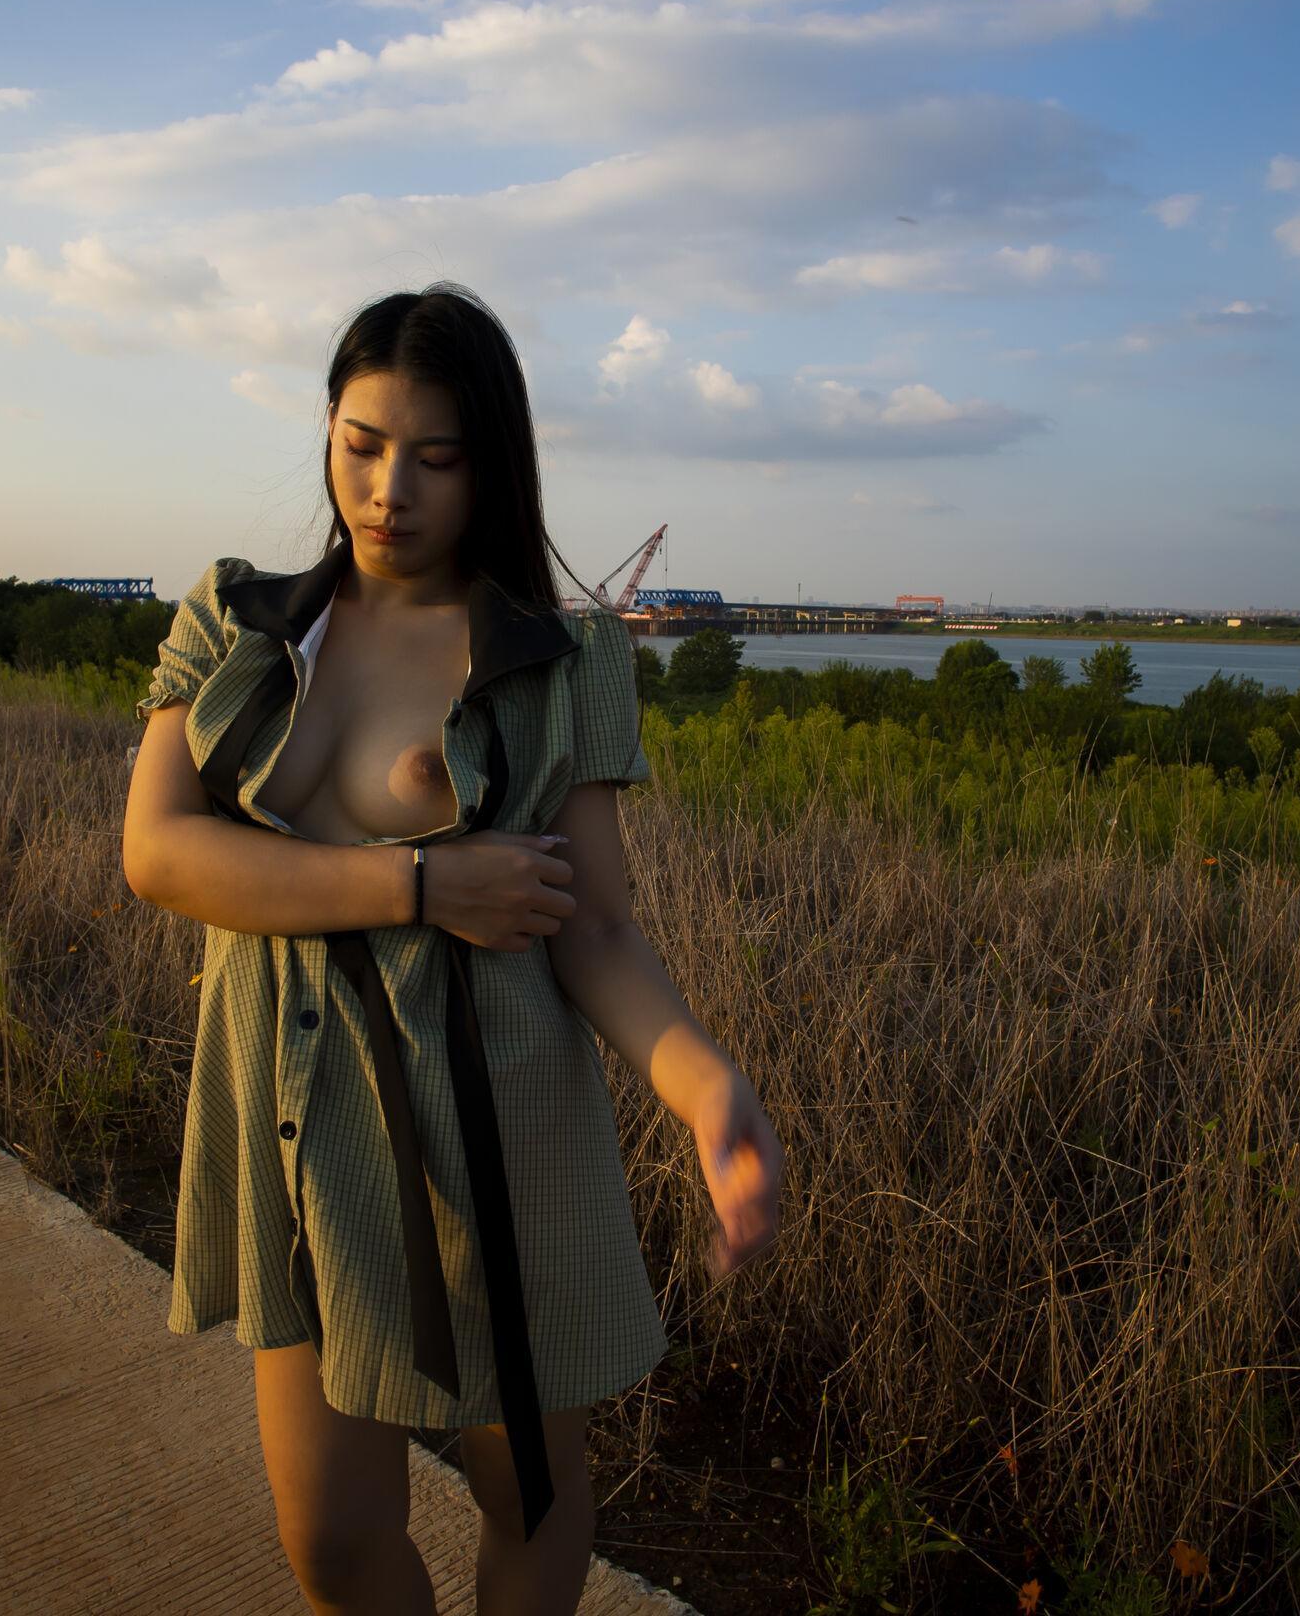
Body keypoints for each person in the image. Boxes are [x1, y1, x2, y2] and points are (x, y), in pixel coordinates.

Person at [121, 282, 784, 1615]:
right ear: (327, 428)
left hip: (495, 1122)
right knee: (329, 1536)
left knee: (523, 1485)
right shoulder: (236, 620)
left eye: (436, 456)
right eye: (363, 444)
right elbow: (160, 851)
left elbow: (596, 926)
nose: (390, 491)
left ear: (492, 464)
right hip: (294, 1115)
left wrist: (706, 1087)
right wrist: (421, 883)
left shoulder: (560, 658)